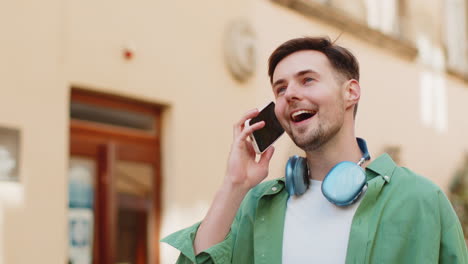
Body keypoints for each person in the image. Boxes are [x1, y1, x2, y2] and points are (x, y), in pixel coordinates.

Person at [162, 36, 468, 263]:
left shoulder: (421, 201)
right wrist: (235, 184)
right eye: (280, 88)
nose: (291, 94)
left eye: (307, 80)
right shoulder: (256, 205)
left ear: (351, 92)